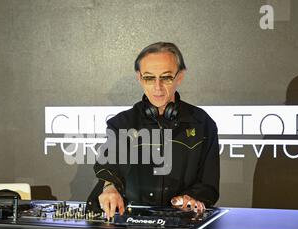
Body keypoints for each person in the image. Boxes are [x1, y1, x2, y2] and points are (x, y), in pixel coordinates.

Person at [87, 42, 219, 218]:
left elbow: (208, 185)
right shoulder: (121, 124)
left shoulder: (203, 123)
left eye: (166, 77)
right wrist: (109, 188)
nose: (157, 87)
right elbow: (109, 170)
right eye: (149, 78)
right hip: (129, 224)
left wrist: (192, 198)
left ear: (179, 77)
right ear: (140, 78)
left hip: (180, 226)